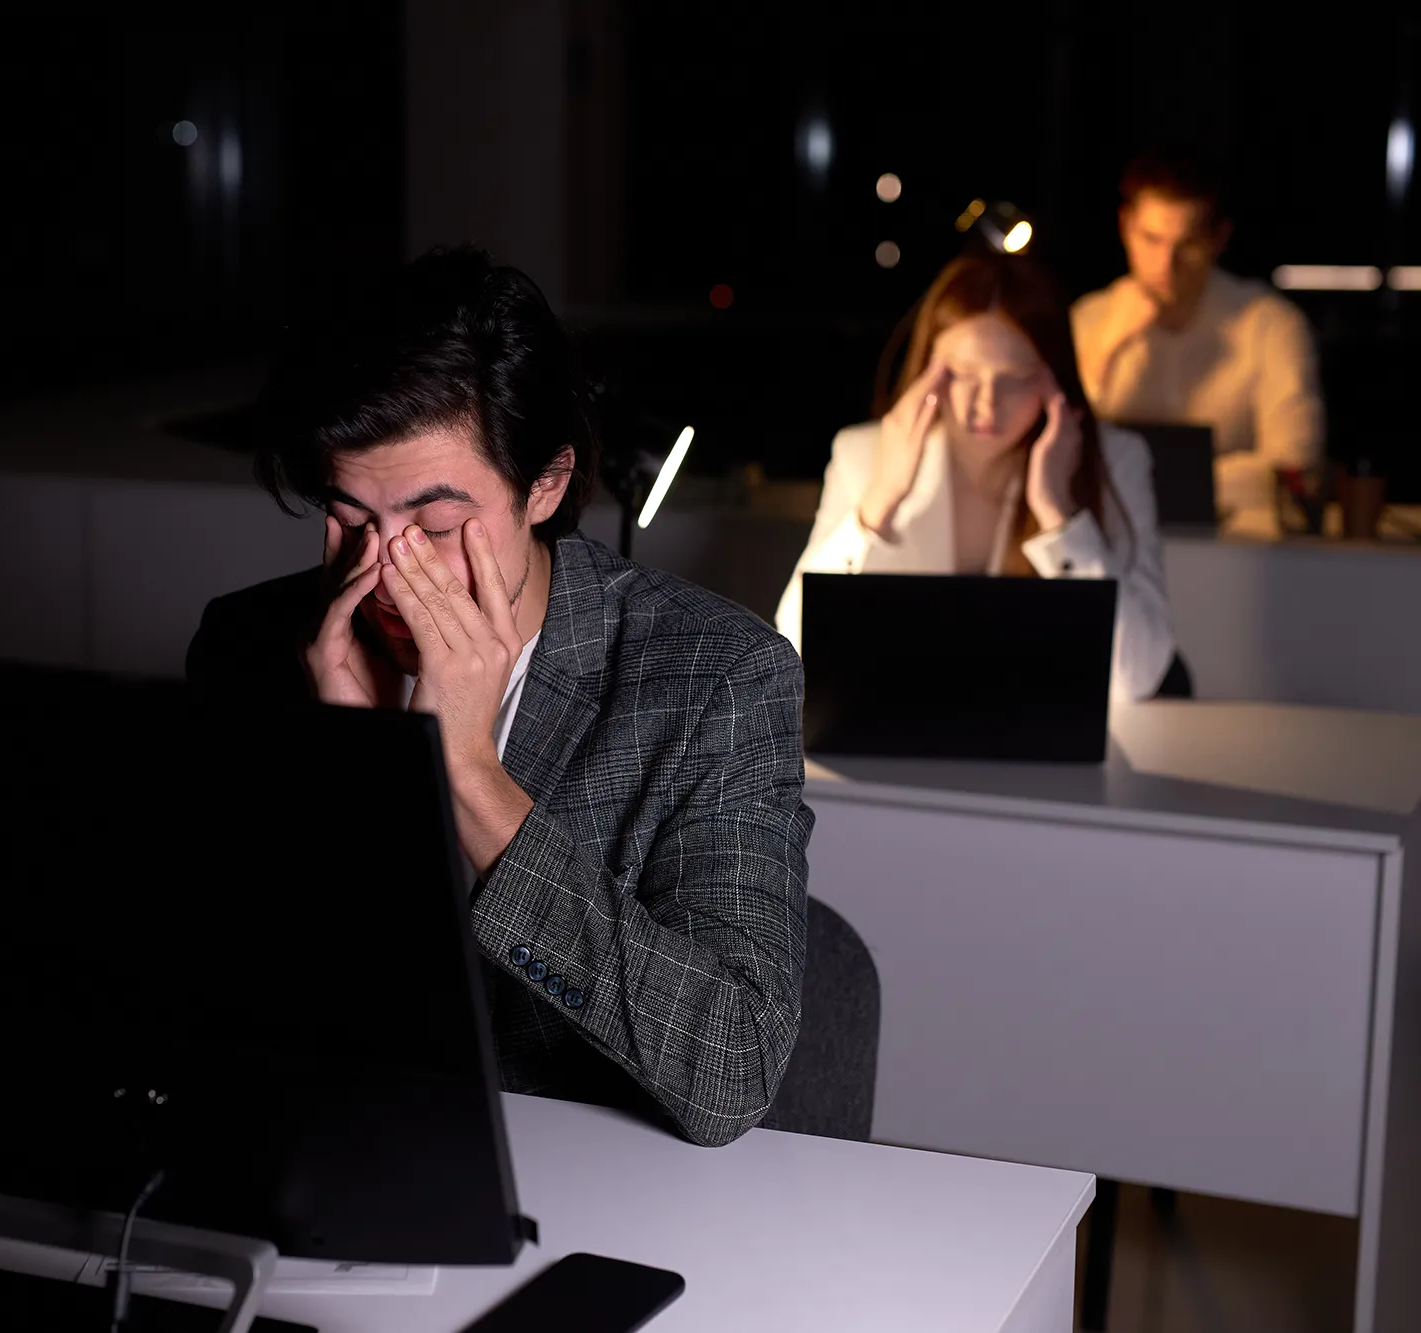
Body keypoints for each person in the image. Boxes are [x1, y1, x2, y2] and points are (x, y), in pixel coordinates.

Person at [186, 246, 812, 1147]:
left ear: (545, 486)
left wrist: (468, 779)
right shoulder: (247, 645)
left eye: (436, 525)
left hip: (602, 1197)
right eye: (352, 518)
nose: (388, 571)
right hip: (321, 1169)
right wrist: (355, 784)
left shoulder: (718, 677)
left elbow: (731, 1068)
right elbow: (221, 1009)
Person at [774, 251, 1178, 702]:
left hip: (1042, 741)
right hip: (906, 736)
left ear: (1054, 378)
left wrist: (1059, 517)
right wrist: (880, 503)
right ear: (927, 370)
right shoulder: (864, 455)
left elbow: (1137, 676)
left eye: (1015, 378)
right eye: (963, 375)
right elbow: (793, 648)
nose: (985, 404)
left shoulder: (1114, 460)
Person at [1070, 150, 1324, 517]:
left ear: (1218, 239)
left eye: (1186, 245)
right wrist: (1106, 347)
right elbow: (1060, 457)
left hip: (1234, 552)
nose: (1165, 264)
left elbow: (1297, 467)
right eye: (1151, 239)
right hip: (1115, 542)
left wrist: (1158, 483)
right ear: (1125, 226)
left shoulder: (1269, 324)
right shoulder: (1088, 320)